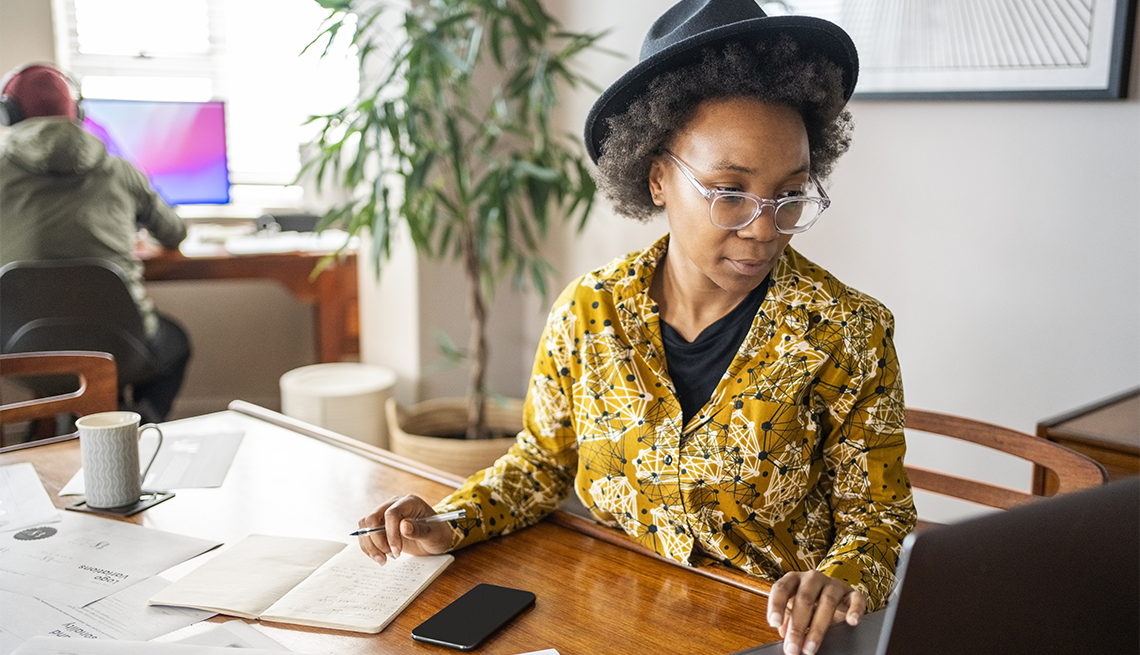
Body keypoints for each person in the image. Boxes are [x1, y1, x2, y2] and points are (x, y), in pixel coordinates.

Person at [357, 2, 916, 654]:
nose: (765, 228)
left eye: (790, 195)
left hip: (767, 637)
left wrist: (838, 579)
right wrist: (450, 520)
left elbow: (878, 519)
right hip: (606, 619)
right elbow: (539, 465)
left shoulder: (847, 331)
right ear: (656, 178)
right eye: (730, 191)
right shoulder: (588, 312)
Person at [0, 63, 192, 422]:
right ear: (79, 112)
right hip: (120, 349)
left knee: (66, 350)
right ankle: (138, 424)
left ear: (8, 112)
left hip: (17, 352)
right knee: (174, 344)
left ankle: (59, 431)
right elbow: (174, 234)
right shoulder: (120, 171)